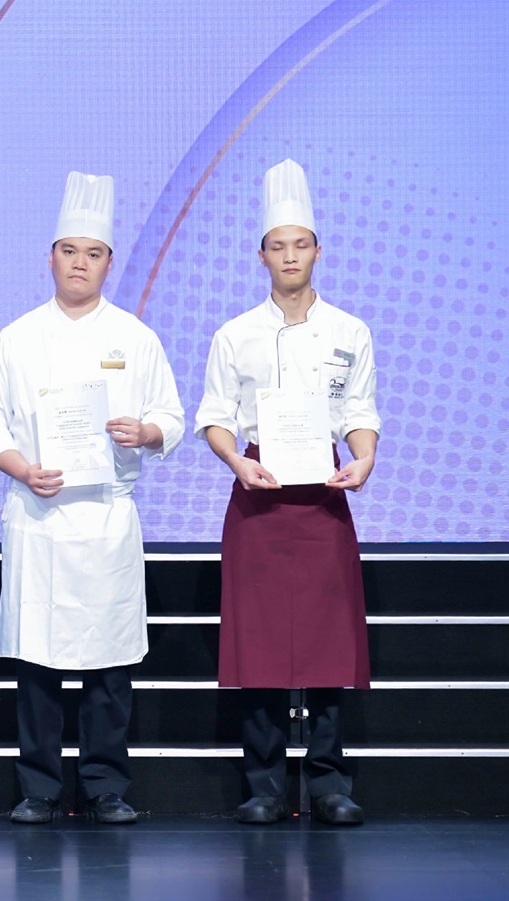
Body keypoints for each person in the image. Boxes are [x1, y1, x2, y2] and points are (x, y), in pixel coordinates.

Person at [0, 172, 183, 826]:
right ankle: (37, 787)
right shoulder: (17, 338)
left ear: (108, 263)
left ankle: (105, 786)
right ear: (51, 258)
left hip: (106, 517)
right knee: (37, 662)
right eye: (69, 251)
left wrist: (144, 432)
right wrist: (20, 469)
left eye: (92, 254)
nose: (79, 264)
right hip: (38, 516)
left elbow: (170, 417)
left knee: (108, 663)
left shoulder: (135, 338)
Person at [194, 158, 379, 827]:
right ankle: (264, 784)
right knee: (261, 646)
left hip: (323, 496)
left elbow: (359, 410)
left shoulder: (349, 331)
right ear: (262, 255)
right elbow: (215, 416)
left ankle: (328, 782)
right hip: (259, 493)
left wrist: (363, 457)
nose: (290, 256)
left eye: (301, 244)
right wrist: (233, 463)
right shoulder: (234, 334)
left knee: (329, 643)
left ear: (317, 251)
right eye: (278, 246)